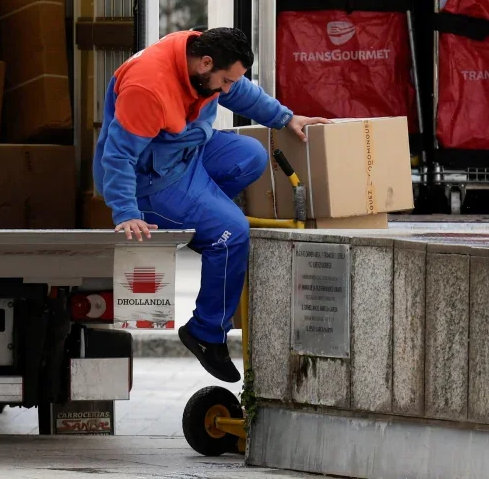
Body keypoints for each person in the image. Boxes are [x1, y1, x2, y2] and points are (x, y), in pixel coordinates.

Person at [93, 28, 329, 383]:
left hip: (186, 152)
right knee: (233, 233)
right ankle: (205, 332)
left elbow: (242, 92)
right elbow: (118, 155)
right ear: (205, 64)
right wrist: (126, 213)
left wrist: (285, 118)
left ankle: (206, 222)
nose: (228, 89)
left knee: (251, 156)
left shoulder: (202, 58)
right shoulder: (148, 87)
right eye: (225, 81)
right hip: (151, 179)